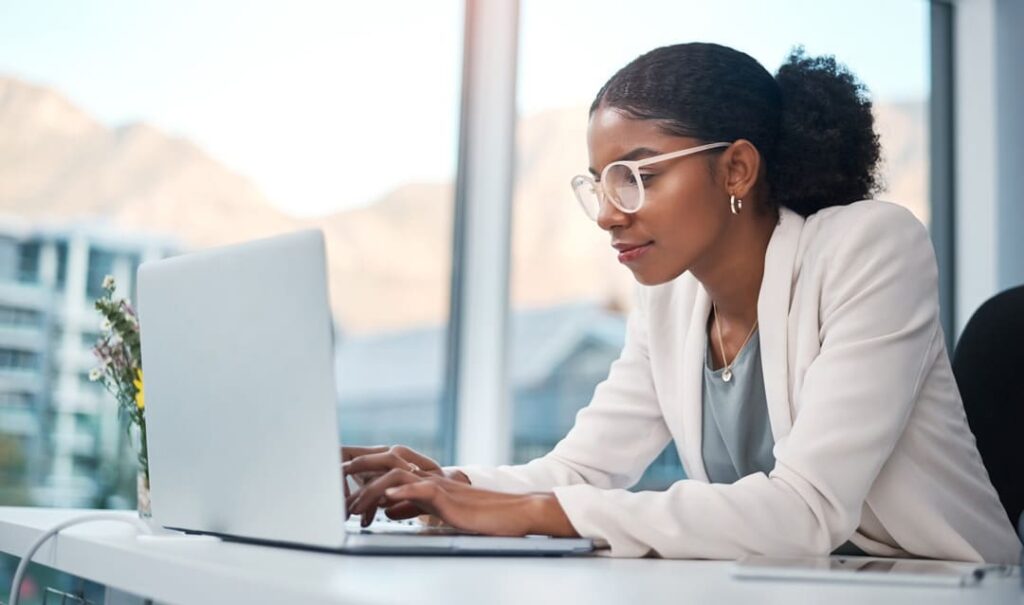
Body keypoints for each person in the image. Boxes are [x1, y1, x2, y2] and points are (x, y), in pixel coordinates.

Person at [343, 42, 1020, 563]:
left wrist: (532, 510)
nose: (609, 214)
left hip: (938, 588)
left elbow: (807, 509)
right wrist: (442, 485)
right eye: (600, 184)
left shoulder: (871, 248)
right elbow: (580, 469)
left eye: (637, 177)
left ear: (736, 170)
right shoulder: (669, 302)